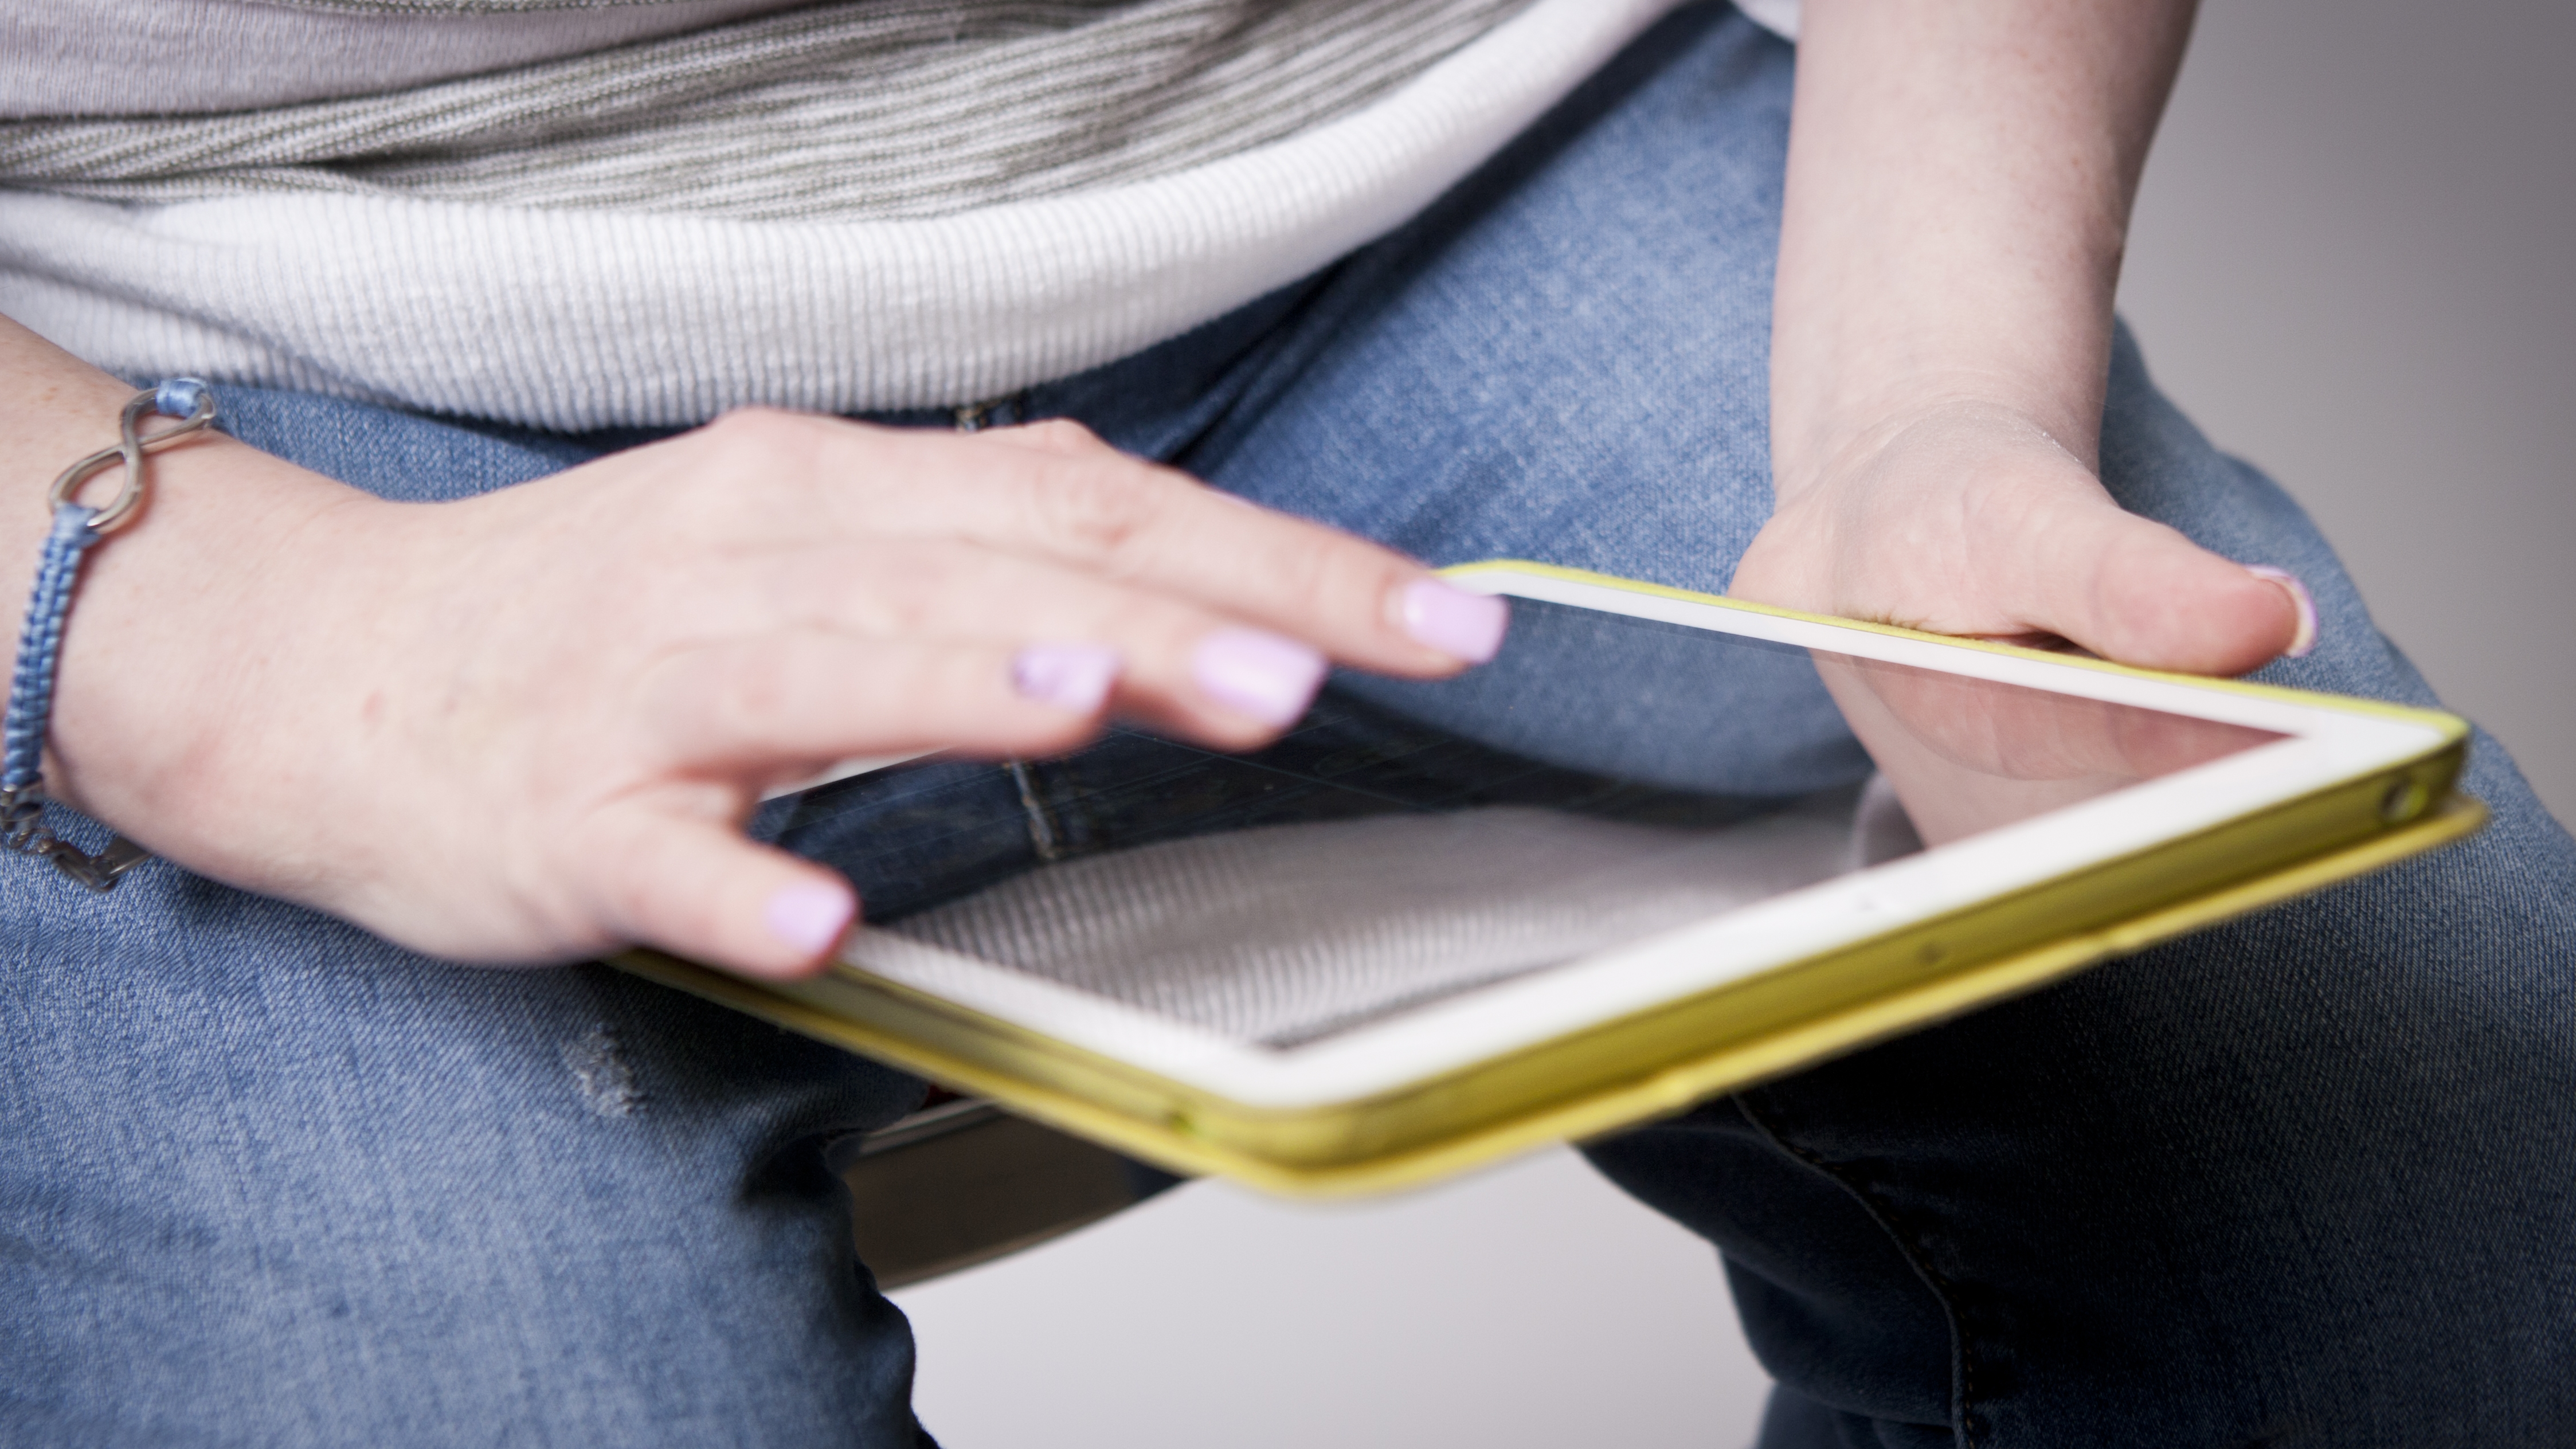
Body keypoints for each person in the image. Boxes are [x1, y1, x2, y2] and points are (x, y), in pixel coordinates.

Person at [2, 1, 2568, 1444]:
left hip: (1440, 131)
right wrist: (208, 635)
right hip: (153, 367)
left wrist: (1919, 378)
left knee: (2435, 1213)